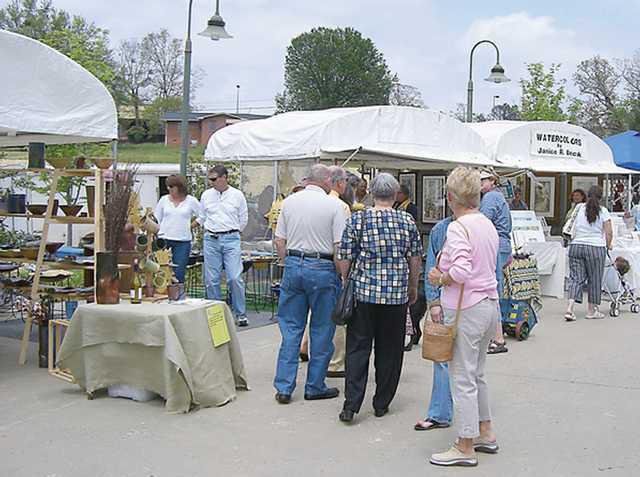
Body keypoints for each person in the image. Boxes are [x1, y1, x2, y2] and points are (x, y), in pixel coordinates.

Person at [427, 166, 500, 467]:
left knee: (463, 377)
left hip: (466, 308)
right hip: (488, 304)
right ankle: (485, 431)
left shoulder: (458, 228)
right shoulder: (486, 224)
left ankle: (465, 444)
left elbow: (460, 271)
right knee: (477, 373)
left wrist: (440, 278)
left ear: (450, 197)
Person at [337, 173, 422, 423]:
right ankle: (382, 402)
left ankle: (351, 404)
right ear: (395, 195)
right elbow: (415, 257)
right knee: (390, 350)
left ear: (372, 193)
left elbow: (345, 255)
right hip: (395, 295)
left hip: (364, 294)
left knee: (357, 348)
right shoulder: (406, 220)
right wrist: (412, 285)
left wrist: (346, 279)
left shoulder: (358, 219)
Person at [273, 164, 346, 404]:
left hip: (294, 264)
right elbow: (338, 247)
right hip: (322, 267)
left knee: (291, 328)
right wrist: (342, 275)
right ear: (327, 180)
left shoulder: (289, 202)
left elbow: (279, 240)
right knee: (322, 329)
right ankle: (314, 385)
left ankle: (284, 387)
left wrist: (287, 263)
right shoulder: (334, 206)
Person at [299, 166, 351, 377]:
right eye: (345, 181)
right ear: (337, 182)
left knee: (311, 313)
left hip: (301, 262)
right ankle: (335, 362)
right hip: (328, 265)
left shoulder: (305, 201)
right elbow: (342, 244)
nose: (346, 185)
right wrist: (344, 273)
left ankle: (306, 346)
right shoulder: (339, 206)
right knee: (335, 316)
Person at [414, 215, 454, 431]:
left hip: (461, 301)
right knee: (446, 358)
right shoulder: (441, 229)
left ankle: (442, 413)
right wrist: (434, 301)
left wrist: (435, 301)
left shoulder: (444, 228)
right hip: (466, 303)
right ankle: (443, 412)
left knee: (444, 359)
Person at [200, 165, 249, 326]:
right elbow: (202, 216)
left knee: (234, 277)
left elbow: (243, 218)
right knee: (211, 279)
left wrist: (234, 232)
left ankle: (240, 314)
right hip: (211, 238)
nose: (211, 182)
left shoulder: (237, 195)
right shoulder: (206, 195)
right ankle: (216, 316)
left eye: (214, 179)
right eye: (210, 179)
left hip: (231, 238)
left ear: (224, 178)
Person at [564, 185, 613, 321]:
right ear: (601, 197)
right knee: (595, 278)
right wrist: (608, 245)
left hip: (576, 245)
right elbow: (609, 232)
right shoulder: (603, 211)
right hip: (595, 247)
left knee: (575, 278)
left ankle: (570, 308)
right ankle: (591, 311)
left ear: (587, 195)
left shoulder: (579, 208)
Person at [479, 168, 511, 355]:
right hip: (502, 243)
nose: (480, 183)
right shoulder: (499, 196)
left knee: (492, 292)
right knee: (493, 290)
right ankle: (496, 335)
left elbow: (482, 222)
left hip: (495, 244)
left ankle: (498, 338)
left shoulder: (490, 197)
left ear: (492, 180)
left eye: (483, 180)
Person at [154, 175, 202, 283]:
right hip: (164, 240)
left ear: (180, 187)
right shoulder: (163, 200)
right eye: (168, 186)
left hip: (182, 241)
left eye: (171, 186)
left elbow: (203, 216)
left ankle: (178, 292)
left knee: (179, 272)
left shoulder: (191, 201)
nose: (169, 189)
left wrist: (191, 226)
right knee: (161, 270)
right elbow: (157, 218)